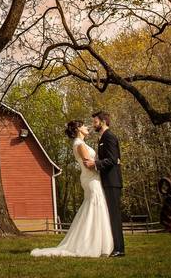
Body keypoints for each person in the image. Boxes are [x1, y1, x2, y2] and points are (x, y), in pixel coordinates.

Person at [30, 120, 114, 258]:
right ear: (78, 129)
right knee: (95, 207)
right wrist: (104, 167)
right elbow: (88, 163)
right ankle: (92, 244)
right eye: (84, 126)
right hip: (91, 178)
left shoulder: (80, 144)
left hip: (91, 178)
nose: (87, 127)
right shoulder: (79, 144)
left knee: (92, 207)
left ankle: (99, 242)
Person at [90, 111, 125, 256]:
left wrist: (95, 164)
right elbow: (114, 159)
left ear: (103, 122)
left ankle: (119, 249)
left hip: (112, 181)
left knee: (115, 216)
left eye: (95, 122)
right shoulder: (102, 138)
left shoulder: (109, 136)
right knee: (110, 215)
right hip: (107, 181)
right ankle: (113, 246)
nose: (93, 124)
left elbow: (112, 159)